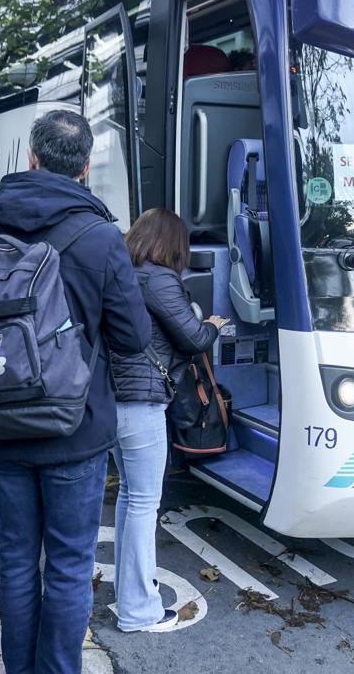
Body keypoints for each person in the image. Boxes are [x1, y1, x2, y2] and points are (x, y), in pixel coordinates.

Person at [0, 110, 151, 674]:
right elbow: (132, 340)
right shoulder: (100, 236)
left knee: (18, 559)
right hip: (75, 431)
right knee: (71, 566)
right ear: (86, 166)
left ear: (30, 157)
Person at [109, 208, 227, 632]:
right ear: (173, 244)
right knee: (143, 502)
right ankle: (139, 611)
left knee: (130, 497)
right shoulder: (158, 278)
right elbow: (192, 338)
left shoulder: (122, 270)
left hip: (113, 398)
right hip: (141, 401)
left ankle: (129, 593)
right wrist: (211, 325)